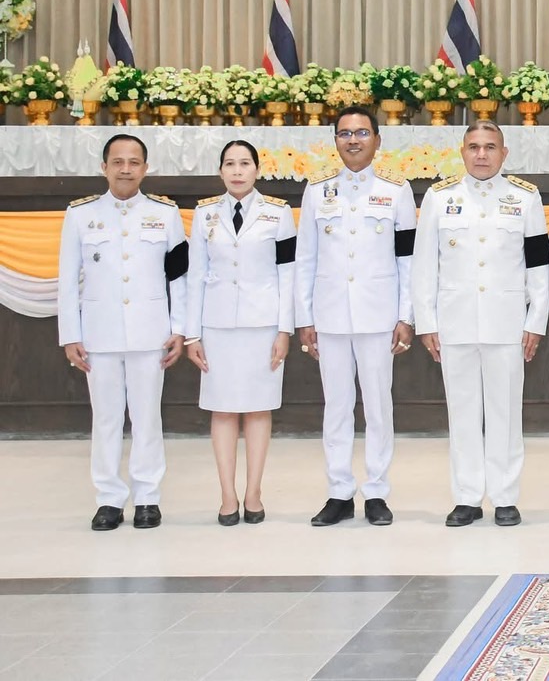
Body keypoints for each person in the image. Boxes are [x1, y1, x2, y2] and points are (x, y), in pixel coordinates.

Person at [413, 122, 549, 528]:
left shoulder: (525, 198)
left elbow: (539, 265)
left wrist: (536, 320)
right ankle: (468, 497)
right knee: (464, 412)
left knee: (506, 413)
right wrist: (426, 321)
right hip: (454, 323)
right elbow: (424, 266)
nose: (482, 155)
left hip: (507, 322)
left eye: (490, 147)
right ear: (462, 151)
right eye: (474, 147)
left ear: (504, 153)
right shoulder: (440, 198)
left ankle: (506, 496)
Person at [57, 134, 187, 531]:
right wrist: (70, 335)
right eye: (118, 162)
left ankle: (148, 497)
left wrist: (180, 329)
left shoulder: (165, 215)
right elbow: (66, 280)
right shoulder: (80, 214)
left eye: (134, 162)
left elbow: (179, 277)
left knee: (148, 417)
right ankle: (109, 499)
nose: (125, 169)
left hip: (152, 334)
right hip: (99, 335)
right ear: (105, 167)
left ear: (145, 168)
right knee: (107, 419)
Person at [295, 106, 417, 526]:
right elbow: (305, 259)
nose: (353, 141)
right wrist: (304, 318)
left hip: (378, 315)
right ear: (335, 141)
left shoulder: (397, 191)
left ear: (377, 141)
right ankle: (339, 492)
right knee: (337, 405)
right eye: (345, 134)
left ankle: (377, 492)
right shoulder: (317, 191)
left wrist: (406, 315)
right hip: (329, 316)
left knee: (379, 406)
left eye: (362, 133)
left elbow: (407, 261)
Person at [184, 140, 297, 526]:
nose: (237, 171)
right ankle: (227, 495)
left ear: (256, 170)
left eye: (244, 163)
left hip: (262, 324)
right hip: (215, 326)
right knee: (223, 409)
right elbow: (195, 276)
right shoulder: (204, 215)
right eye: (229, 164)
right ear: (220, 171)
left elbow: (287, 273)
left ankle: (253, 493)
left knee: (258, 408)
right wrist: (191, 335)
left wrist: (285, 329)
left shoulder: (278, 214)